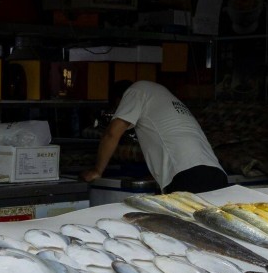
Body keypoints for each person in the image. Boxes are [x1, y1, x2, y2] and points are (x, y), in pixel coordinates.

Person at [80, 80, 228, 194]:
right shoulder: (161, 95)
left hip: (188, 177)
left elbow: (112, 133)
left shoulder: (136, 90)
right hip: (216, 175)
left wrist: (97, 171)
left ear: (120, 100)